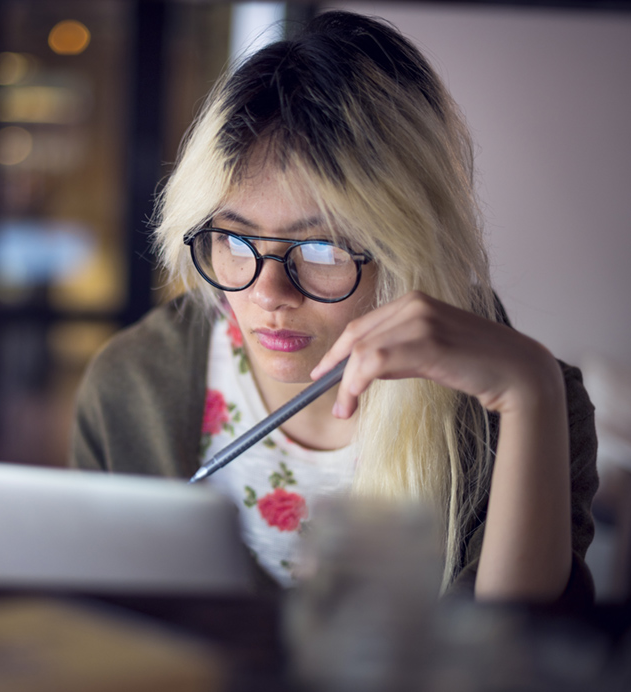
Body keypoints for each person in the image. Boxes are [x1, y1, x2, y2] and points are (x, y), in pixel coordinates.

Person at [70, 10, 598, 604]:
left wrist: (531, 392)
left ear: (411, 246)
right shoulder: (133, 382)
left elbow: (516, 663)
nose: (267, 294)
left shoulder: (525, 409)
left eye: (322, 247)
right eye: (235, 240)